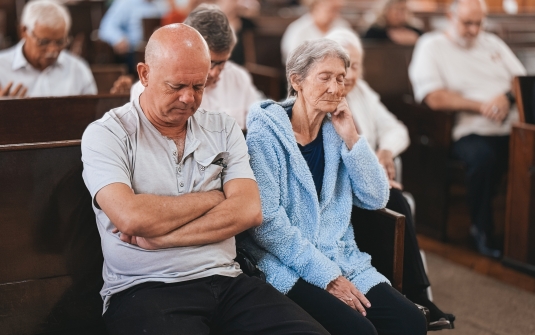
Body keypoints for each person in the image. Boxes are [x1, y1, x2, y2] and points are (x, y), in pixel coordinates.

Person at [81, 23, 329, 335]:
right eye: (176, 86)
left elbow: (249, 211)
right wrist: (215, 197)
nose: (188, 99)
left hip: (228, 280)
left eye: (198, 87)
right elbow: (131, 219)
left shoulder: (223, 127)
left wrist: (164, 237)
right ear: (144, 74)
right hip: (144, 289)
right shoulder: (107, 134)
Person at [241, 38, 427, 335]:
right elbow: (267, 226)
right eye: (325, 77)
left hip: (339, 256)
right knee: (360, 331)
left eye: (341, 78)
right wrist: (326, 276)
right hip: (286, 263)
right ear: (297, 81)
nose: (335, 87)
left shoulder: (336, 131)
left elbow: (377, 197)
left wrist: (352, 137)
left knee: (411, 323)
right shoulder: (266, 136)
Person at [326, 28, 455, 329]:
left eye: (358, 65)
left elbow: (398, 129)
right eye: (348, 66)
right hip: (342, 192)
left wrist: (385, 151)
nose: (354, 73)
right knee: (395, 201)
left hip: (369, 181)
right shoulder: (324, 99)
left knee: (395, 201)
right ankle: (416, 296)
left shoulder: (362, 92)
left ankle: (417, 295)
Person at [409, 0, 526, 258]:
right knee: (484, 159)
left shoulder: (492, 43)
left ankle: (522, 234)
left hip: (513, 126)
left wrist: (505, 98)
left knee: (526, 158)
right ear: (451, 16)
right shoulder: (431, 45)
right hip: (468, 128)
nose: (474, 30)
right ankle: (481, 229)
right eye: (467, 23)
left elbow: (521, 80)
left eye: (478, 23)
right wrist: (480, 105)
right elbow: (433, 97)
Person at [130, 4, 262, 130]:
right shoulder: (150, 87)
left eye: (222, 63)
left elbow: (258, 123)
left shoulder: (238, 77)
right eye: (209, 62)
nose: (215, 72)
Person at [0, 0, 96, 98]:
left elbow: (94, 112)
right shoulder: (2, 68)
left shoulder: (77, 69)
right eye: (44, 42)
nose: (52, 50)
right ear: (23, 31)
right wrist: (4, 110)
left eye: (60, 42)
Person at [98, 0, 168, 73]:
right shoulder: (126, 3)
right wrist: (118, 39)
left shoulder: (161, 5)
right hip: (133, 54)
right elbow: (107, 26)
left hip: (157, 53)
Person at [280, 0, 349, 63]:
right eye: (332, 10)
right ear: (316, 7)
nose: (336, 15)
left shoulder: (342, 25)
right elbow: (293, 62)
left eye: (338, 10)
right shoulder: (297, 30)